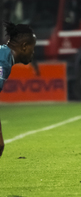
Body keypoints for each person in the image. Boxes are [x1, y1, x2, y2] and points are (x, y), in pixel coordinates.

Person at [0, 21, 36, 158]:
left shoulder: (4, 54)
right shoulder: (3, 61)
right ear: (25, 46)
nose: (33, 53)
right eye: (33, 48)